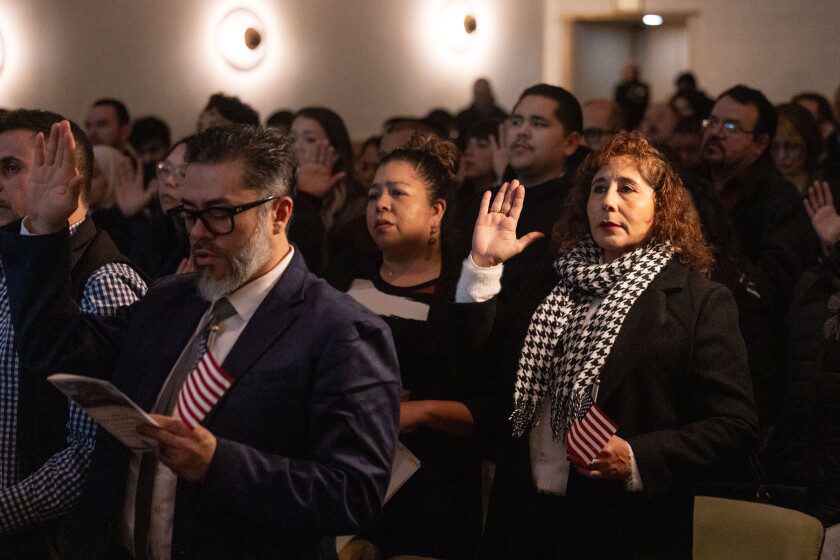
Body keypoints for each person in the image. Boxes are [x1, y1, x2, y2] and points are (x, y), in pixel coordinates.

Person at [0, 123, 400, 559]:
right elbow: (59, 351)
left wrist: (219, 464)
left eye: (219, 213)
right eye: (189, 213)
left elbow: (355, 493)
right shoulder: (172, 299)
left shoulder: (338, 330)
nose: (197, 232)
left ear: (280, 214)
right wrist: (42, 230)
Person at [462, 132, 758, 559]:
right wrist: (484, 269)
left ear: (662, 206)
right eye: (599, 188)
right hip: (526, 518)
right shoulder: (552, 279)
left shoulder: (698, 299)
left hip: (625, 525)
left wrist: (638, 457)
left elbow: (734, 425)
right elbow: (478, 364)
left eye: (627, 188)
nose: (609, 201)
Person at [0, 110, 147, 559]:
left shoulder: (103, 278)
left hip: (47, 540)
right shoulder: (15, 255)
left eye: (11, 168)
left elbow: (96, 451)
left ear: (68, 174)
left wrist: (4, 510)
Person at [337, 134, 488, 559]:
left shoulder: (466, 289)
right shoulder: (346, 273)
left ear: (437, 210)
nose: (380, 204)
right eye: (373, 195)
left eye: (397, 194)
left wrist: (416, 411)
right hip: (350, 471)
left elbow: (492, 404)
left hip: (434, 486)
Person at [696, 85, 818, 312]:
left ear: (760, 143)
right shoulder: (687, 184)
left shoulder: (779, 198)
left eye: (731, 127)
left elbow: (776, 283)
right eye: (712, 122)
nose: (715, 132)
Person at [289, 106, 370, 275]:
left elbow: (311, 264)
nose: (297, 147)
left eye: (309, 140)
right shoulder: (281, 190)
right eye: (292, 138)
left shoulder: (355, 202)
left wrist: (307, 198)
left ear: (336, 151)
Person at [772, 103, 825, 196]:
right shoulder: (757, 190)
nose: (782, 155)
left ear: (808, 145)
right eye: (774, 147)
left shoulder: (828, 187)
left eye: (791, 146)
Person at [455, 78, 508, 144]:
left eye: (483, 93)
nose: (481, 97)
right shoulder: (462, 119)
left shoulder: (502, 118)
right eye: (479, 93)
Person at [129, 116, 172, 182]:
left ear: (168, 147)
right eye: (141, 152)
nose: (148, 159)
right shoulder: (130, 177)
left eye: (154, 150)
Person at [614, 62, 649, 130]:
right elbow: (617, 104)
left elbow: (645, 104)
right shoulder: (621, 87)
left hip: (639, 119)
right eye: (629, 71)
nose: (631, 73)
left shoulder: (643, 86)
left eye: (633, 71)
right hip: (624, 118)